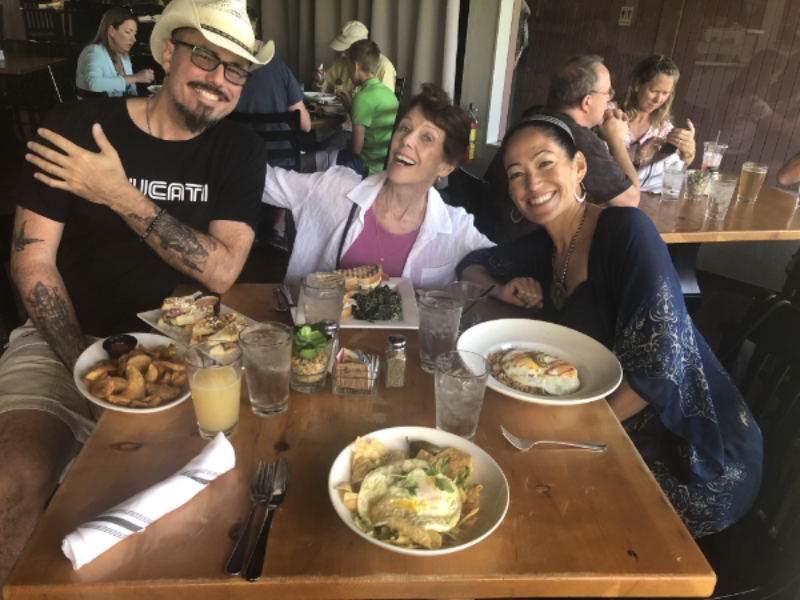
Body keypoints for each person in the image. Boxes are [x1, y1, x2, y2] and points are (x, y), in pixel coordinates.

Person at [0, 0, 272, 583]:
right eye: (206, 57)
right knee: (11, 476)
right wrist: (89, 367)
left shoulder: (239, 150)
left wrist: (117, 192)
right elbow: (31, 260)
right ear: (169, 52)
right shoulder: (75, 127)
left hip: (183, 348)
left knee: (203, 497)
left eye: (236, 70)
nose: (219, 81)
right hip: (61, 339)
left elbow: (221, 272)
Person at [457, 115, 763, 538]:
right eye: (516, 174)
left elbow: (659, 364)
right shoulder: (545, 246)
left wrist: (569, 436)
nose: (532, 183)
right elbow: (470, 268)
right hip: (609, 431)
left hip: (690, 453)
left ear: (579, 167)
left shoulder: (626, 231)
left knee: (542, 516)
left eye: (545, 163)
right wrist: (505, 289)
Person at [263, 83, 494, 287]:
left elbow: (502, 267)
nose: (407, 140)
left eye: (427, 138)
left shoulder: (456, 229)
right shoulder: (336, 189)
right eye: (405, 128)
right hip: (321, 332)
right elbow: (263, 180)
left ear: (445, 167)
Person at [483, 55, 640, 245]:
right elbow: (630, 201)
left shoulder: (534, 119)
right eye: (607, 93)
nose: (608, 99)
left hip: (492, 232)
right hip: (528, 249)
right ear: (587, 101)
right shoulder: (575, 136)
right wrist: (616, 139)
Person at [312, 39, 398, 177]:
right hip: (381, 165)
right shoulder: (389, 94)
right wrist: (349, 107)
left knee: (307, 161)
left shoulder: (362, 98)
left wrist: (349, 143)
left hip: (363, 166)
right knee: (327, 151)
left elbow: (356, 149)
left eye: (347, 65)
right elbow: (371, 124)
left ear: (355, 66)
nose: (347, 69)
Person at [613, 55, 696, 193]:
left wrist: (688, 153)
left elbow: (671, 172)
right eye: (654, 91)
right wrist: (636, 156)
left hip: (640, 198)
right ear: (637, 84)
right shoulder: (610, 114)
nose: (658, 99)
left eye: (665, 93)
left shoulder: (663, 128)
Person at [75, 7, 155, 97]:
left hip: (117, 107)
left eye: (134, 34)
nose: (134, 39)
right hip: (96, 109)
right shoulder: (94, 51)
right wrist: (136, 77)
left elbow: (130, 92)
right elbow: (94, 84)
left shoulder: (123, 55)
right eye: (128, 32)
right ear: (112, 31)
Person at [313, 20, 396, 102]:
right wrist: (321, 81)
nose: (342, 54)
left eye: (346, 50)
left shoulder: (383, 67)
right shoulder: (340, 62)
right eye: (341, 49)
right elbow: (324, 92)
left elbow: (385, 105)